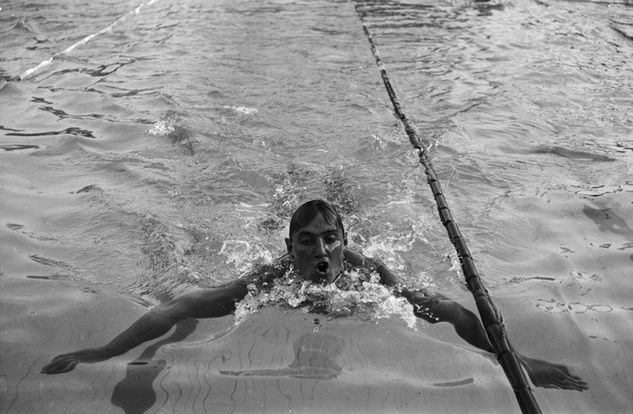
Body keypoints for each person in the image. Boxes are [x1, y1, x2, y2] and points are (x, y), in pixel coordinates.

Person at [41, 200, 588, 391]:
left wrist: (514, 360)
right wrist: (102, 354)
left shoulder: (369, 279)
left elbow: (450, 311)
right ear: (290, 247)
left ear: (344, 245)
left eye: (330, 240)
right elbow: (176, 309)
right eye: (306, 242)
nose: (319, 252)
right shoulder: (268, 279)